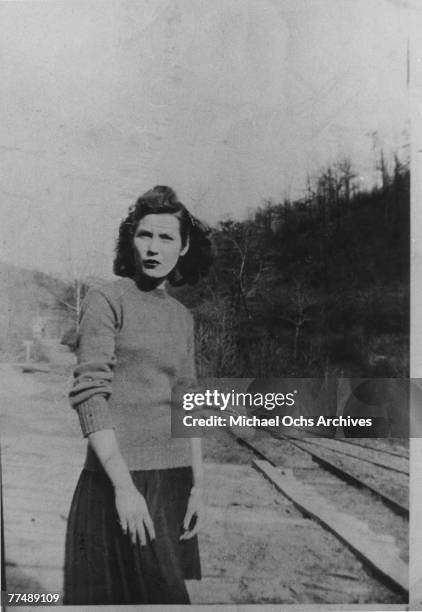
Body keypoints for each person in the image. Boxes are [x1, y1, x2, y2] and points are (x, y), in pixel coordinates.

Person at [63, 186, 213, 605]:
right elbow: (91, 395)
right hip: (119, 480)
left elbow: (190, 400)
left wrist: (199, 486)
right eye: (145, 235)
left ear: (183, 247)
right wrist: (124, 489)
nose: (153, 247)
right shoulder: (106, 301)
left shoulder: (182, 318)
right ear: (131, 239)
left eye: (166, 238)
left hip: (173, 482)